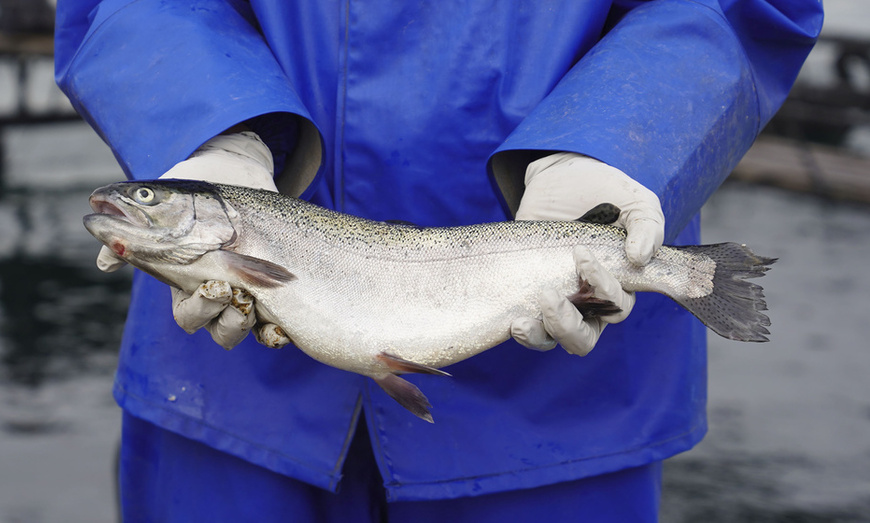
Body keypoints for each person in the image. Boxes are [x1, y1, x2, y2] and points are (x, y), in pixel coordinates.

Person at [55, 1, 822, 521]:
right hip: (226, 412)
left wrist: (620, 146)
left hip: (557, 428)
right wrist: (211, 127)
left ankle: (693, 273)